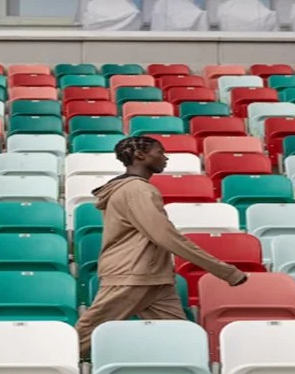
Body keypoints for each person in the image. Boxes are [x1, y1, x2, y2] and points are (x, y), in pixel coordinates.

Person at [75, 135, 248, 354]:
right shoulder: (138, 190)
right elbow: (165, 236)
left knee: (181, 339)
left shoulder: (131, 188)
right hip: (133, 274)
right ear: (140, 155)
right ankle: (51, 367)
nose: (165, 157)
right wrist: (226, 272)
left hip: (154, 277)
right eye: (160, 152)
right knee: (84, 337)